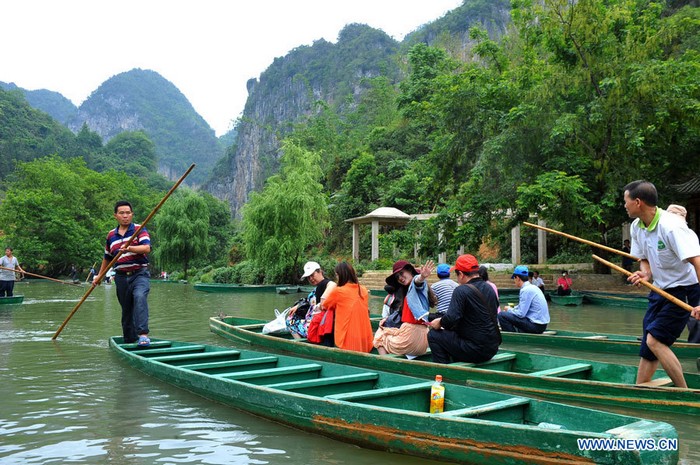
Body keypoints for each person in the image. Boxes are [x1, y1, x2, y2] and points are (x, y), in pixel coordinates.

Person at [624, 180, 700, 387]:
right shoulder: (636, 226)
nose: (625, 205)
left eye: (626, 201)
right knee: (649, 339)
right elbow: (644, 258)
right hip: (660, 290)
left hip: (684, 290)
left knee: (655, 340)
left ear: (638, 202)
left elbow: (697, 261)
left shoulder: (672, 227)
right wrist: (645, 274)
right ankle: (641, 387)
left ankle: (684, 393)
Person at [94, 201, 152, 347]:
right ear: (115, 216)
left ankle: (143, 335)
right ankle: (130, 341)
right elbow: (107, 258)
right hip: (120, 276)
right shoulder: (111, 235)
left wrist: (130, 248)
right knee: (126, 310)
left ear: (132, 214)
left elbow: (146, 248)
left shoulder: (139, 229)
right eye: (122, 213)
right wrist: (99, 276)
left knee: (139, 297)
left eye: (128, 213)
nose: (125, 216)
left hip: (139, 274)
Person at [428, 254, 501, 364]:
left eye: (456, 275)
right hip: (492, 348)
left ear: (461, 274)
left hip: (475, 351)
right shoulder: (489, 287)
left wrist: (439, 322)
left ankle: (442, 371)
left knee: (433, 335)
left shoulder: (461, 290)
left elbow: (451, 319)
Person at [373, 259, 436, 357]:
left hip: (410, 337)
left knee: (378, 337)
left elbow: (417, 281)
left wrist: (422, 276)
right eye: (398, 277)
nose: (400, 278)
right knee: (385, 330)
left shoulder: (415, 286)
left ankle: (387, 366)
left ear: (410, 271)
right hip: (422, 338)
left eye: (402, 273)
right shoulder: (408, 293)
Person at [322, 262, 373, 352]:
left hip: (348, 340)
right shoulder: (363, 290)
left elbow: (325, 305)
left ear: (340, 275)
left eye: (336, 275)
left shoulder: (339, 291)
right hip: (365, 338)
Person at [498, 265, 550, 334]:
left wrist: (509, 310)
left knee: (501, 315)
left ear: (518, 278)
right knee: (509, 313)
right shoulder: (533, 287)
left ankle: (514, 337)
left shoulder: (525, 290)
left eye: (514, 278)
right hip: (542, 325)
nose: (514, 281)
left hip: (536, 326)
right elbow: (522, 307)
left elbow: (521, 314)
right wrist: (512, 309)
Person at [299, 261, 337, 345]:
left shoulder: (325, 283)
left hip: (327, 322)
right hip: (324, 321)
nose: (311, 279)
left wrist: (323, 298)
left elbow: (333, 284)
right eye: (309, 277)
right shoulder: (319, 286)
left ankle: (301, 345)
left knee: (291, 322)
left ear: (320, 271)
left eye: (312, 275)